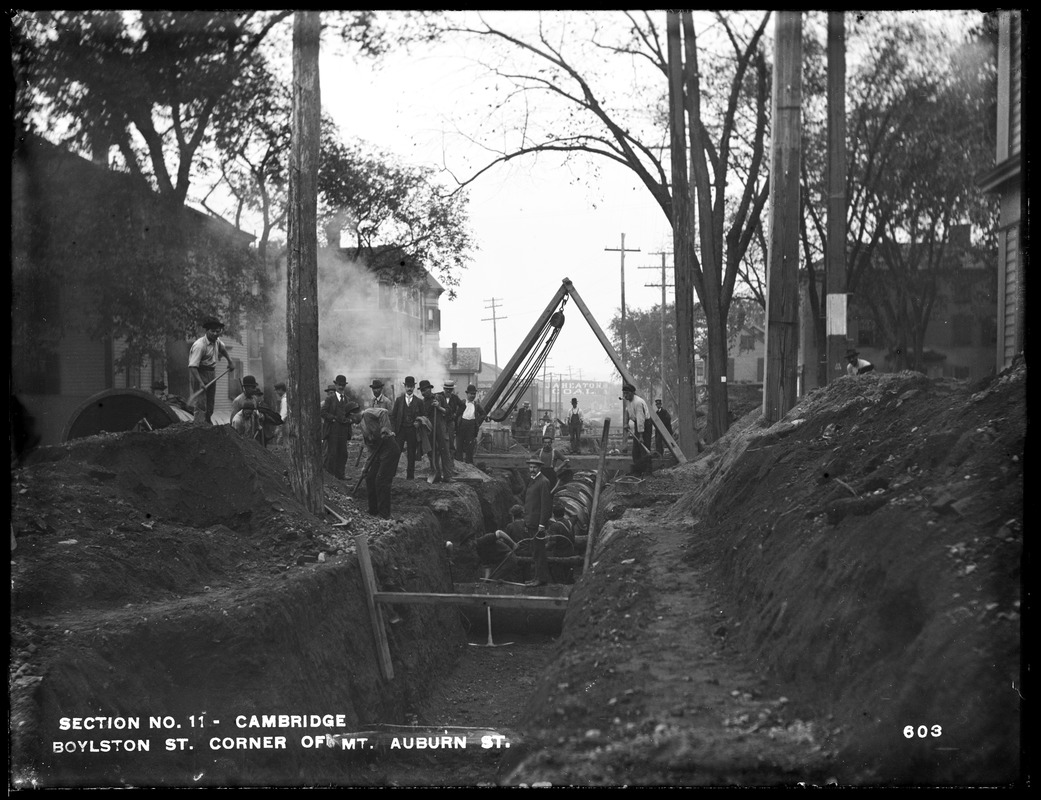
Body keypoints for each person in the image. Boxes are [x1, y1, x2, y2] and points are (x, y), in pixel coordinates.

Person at [357, 406, 402, 519]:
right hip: (378, 452)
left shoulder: (367, 413)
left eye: (351, 417)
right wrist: (365, 468)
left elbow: (383, 412)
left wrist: (385, 430)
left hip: (390, 450)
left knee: (381, 480)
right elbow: (371, 449)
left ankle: (384, 514)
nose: (351, 421)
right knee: (370, 477)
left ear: (354, 413)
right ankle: (373, 510)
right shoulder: (362, 426)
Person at [188, 318, 234, 425]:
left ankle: (208, 424)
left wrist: (230, 361)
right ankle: (199, 425)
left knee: (210, 403)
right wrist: (200, 382)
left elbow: (223, 349)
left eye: (218, 331)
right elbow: (192, 367)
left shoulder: (217, 342)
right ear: (207, 331)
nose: (215, 333)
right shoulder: (200, 345)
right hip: (199, 373)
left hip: (211, 373)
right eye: (212, 331)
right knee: (201, 403)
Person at [523, 455, 554, 586]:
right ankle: (537, 577)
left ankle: (540, 579)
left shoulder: (543, 482)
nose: (532, 469)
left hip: (537, 524)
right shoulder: (532, 480)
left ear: (540, 468)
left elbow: (546, 505)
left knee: (539, 553)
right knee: (535, 552)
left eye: (534, 467)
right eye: (530, 467)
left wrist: (542, 523)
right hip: (531, 522)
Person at [418, 379, 454, 483]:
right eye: (422, 391)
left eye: (425, 390)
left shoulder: (439, 398)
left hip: (441, 429)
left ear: (430, 389)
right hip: (430, 430)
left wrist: (439, 407)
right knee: (432, 454)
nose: (424, 392)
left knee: (445, 452)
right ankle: (436, 474)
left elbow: (449, 411)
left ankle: (447, 476)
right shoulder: (422, 402)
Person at [321, 375, 357, 480]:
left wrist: (351, 419)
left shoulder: (347, 399)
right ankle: (331, 476)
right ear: (336, 385)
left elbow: (351, 414)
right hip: (333, 430)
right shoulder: (329, 399)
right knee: (332, 454)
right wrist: (332, 418)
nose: (341, 387)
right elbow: (322, 412)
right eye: (339, 385)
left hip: (344, 430)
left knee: (343, 453)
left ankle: (340, 475)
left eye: (343, 385)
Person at [390, 376, 423, 480]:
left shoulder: (419, 401)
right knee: (396, 451)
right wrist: (394, 430)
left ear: (414, 387)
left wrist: (418, 422)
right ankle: (392, 474)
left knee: (411, 453)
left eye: (411, 387)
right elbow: (393, 416)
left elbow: (423, 416)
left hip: (412, 430)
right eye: (408, 386)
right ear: (405, 387)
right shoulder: (399, 400)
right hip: (400, 430)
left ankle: (410, 476)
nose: (409, 389)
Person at [622, 382, 652, 476]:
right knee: (635, 450)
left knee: (644, 448)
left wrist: (641, 436)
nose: (625, 395)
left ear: (632, 393)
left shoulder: (638, 402)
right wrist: (626, 423)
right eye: (624, 393)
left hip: (644, 426)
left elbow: (640, 420)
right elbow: (627, 412)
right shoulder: (628, 401)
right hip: (637, 425)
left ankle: (647, 471)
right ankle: (637, 471)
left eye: (627, 393)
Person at [456, 384, 487, 464]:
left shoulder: (476, 405)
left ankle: (469, 464)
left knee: (470, 446)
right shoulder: (462, 403)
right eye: (471, 394)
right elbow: (456, 413)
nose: (472, 395)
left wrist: (477, 421)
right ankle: (459, 463)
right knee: (459, 445)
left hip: (471, 427)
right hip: (461, 426)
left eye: (474, 394)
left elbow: (483, 414)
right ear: (467, 394)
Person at [442, 380, 465, 458]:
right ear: (444, 388)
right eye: (446, 389)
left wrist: (456, 414)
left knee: (451, 440)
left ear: (452, 390)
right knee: (441, 439)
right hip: (441, 422)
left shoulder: (455, 398)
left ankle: (451, 459)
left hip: (450, 422)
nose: (448, 390)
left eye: (450, 389)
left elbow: (463, 406)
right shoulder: (439, 396)